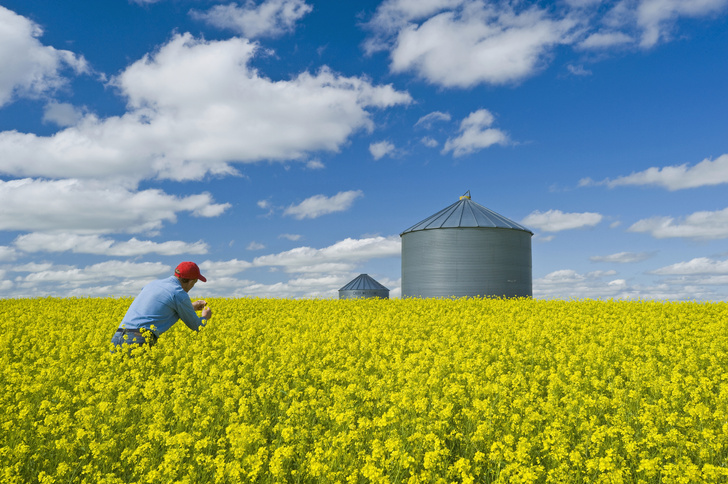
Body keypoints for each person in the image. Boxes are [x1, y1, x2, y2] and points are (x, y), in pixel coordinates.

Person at [111, 261, 212, 348]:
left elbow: (160, 307)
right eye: (195, 282)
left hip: (118, 336)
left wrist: (190, 307)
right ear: (191, 281)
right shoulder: (179, 293)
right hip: (138, 338)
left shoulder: (153, 284)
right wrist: (205, 317)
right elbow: (197, 326)